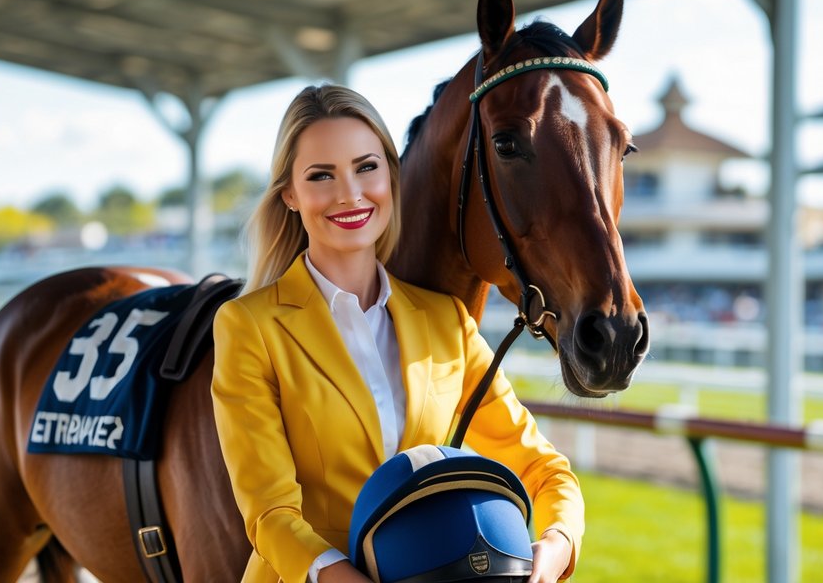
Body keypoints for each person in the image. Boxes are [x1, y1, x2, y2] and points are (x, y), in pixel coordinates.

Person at [211, 85, 584, 583]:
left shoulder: (447, 321)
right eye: (321, 176)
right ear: (291, 196)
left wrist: (556, 545)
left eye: (366, 167)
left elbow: (546, 470)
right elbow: (270, 514)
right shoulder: (248, 328)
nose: (350, 193)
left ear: (391, 173)